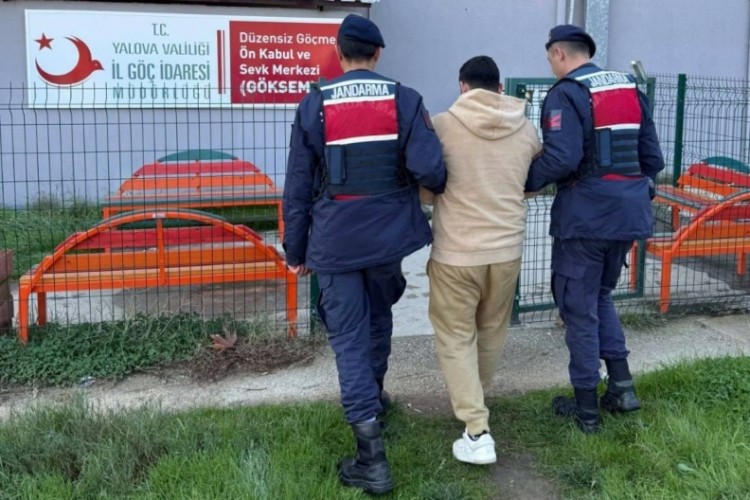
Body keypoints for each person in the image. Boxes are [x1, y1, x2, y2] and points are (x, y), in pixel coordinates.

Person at [282, 13, 447, 495]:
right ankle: (374, 399)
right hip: (387, 240)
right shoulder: (404, 99)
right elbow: (431, 170)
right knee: (377, 321)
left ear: (338, 54)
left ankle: (371, 459)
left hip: (334, 242)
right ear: (377, 54)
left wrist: (296, 249)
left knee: (349, 338)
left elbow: (297, 186)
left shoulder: (315, 103)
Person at [525, 25, 665, 433]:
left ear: (559, 53)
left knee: (578, 309)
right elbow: (652, 157)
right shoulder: (628, 87)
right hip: (628, 214)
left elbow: (562, 158)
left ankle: (586, 410)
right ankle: (622, 388)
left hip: (586, 218)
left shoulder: (566, 93)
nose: (551, 65)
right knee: (600, 297)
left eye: (550, 58)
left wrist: (521, 182)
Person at [421, 56, 541, 464]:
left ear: (462, 86)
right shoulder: (526, 128)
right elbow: (530, 183)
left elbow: (427, 188)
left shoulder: (442, 126)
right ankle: (476, 404)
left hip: (456, 252)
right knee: (491, 330)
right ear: (500, 87)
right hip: (506, 250)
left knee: (455, 335)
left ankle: (476, 428)